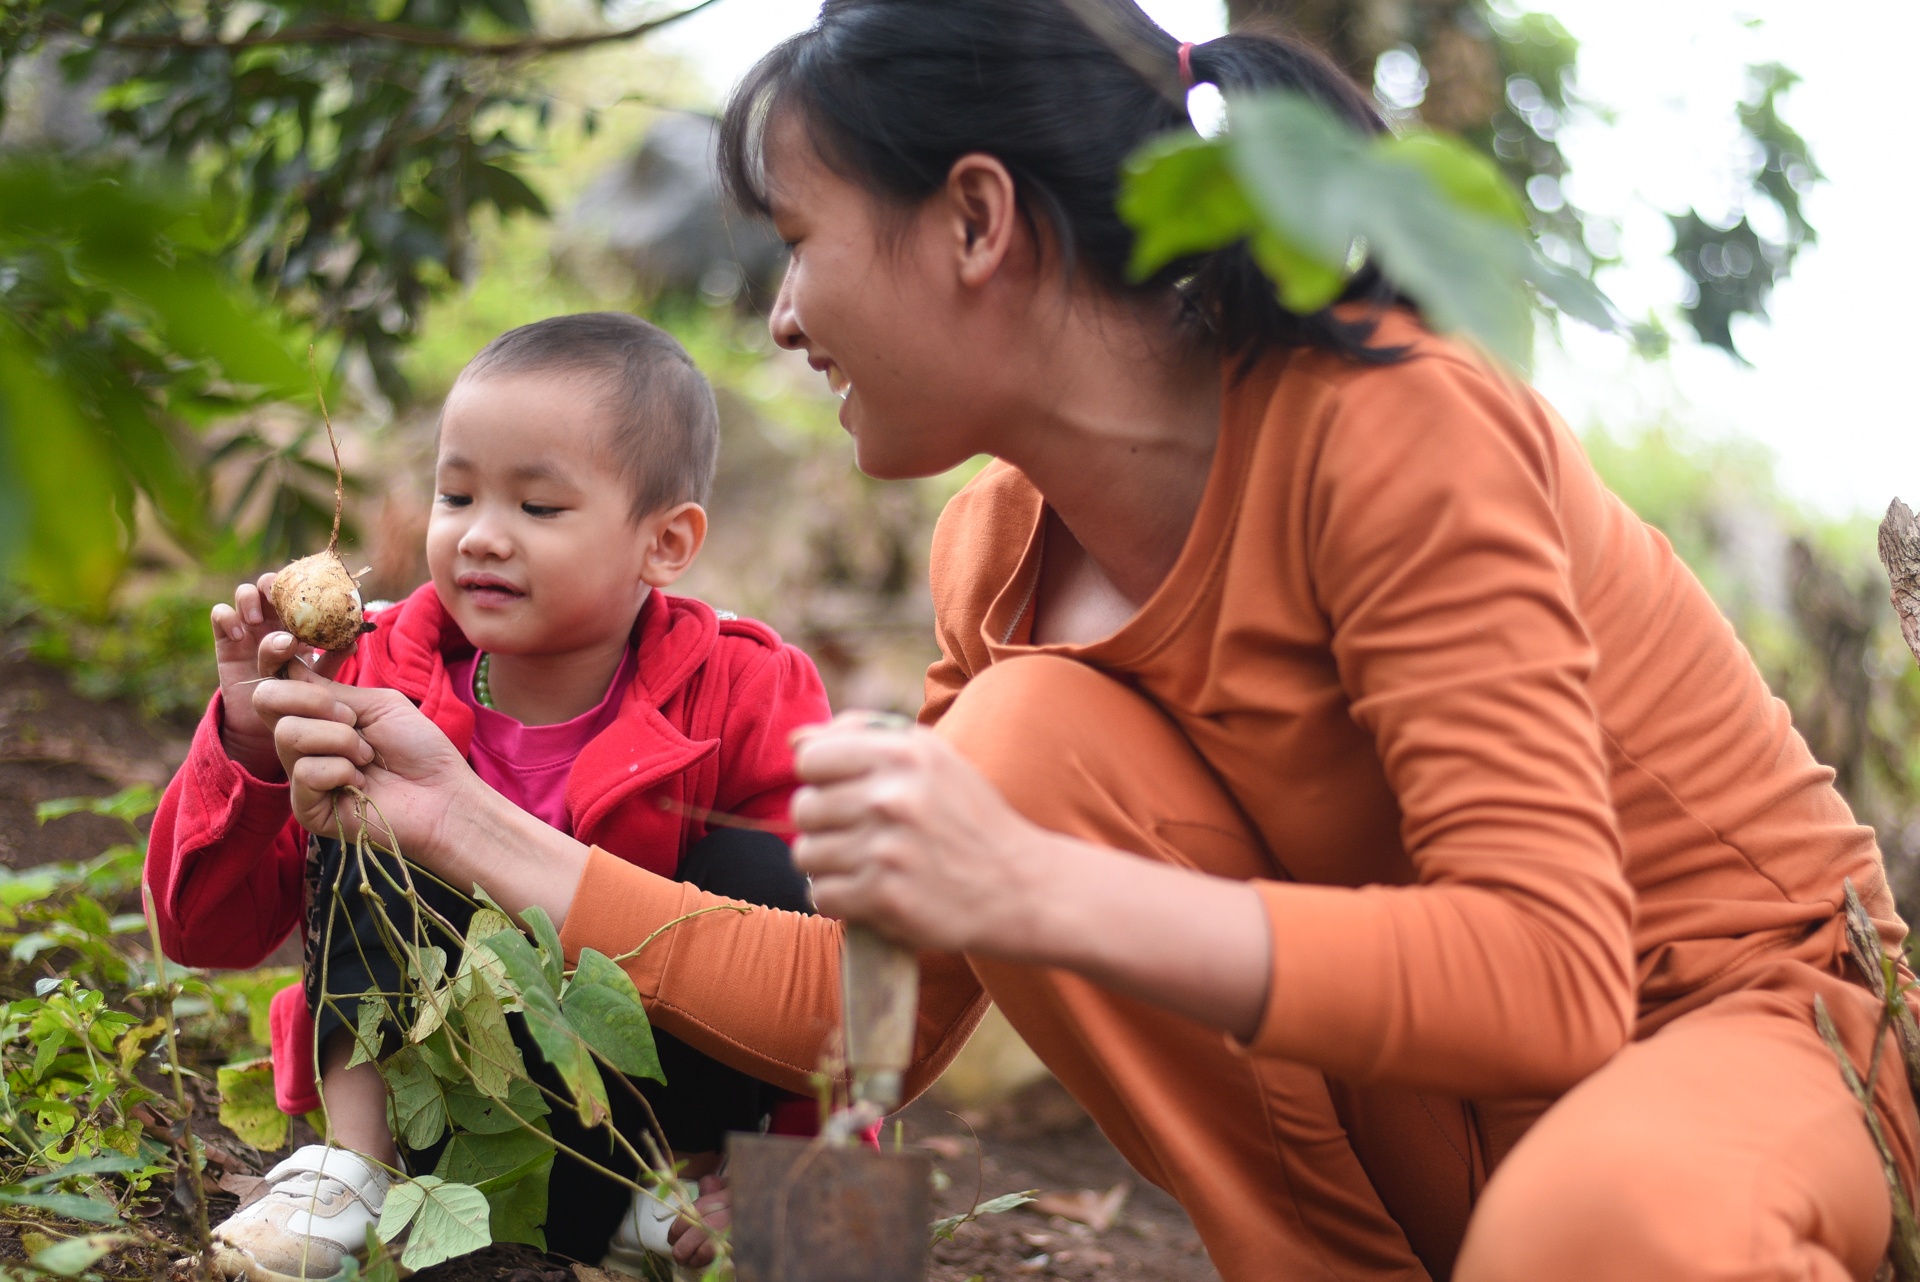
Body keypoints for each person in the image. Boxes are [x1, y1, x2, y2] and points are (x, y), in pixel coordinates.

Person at [249, 3, 1920, 1279]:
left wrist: (1033, 881)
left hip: (1744, 1039)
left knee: (1598, 1220)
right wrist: (456, 812)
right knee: (1024, 745)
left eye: (798, 240)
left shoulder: (1391, 426)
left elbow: (1554, 979)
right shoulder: (997, 552)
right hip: (1447, 1142)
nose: (776, 315)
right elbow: (871, 1006)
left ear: (975, 222)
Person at [145, 313, 832, 1282]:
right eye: (455, 493)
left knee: (763, 872)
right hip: (440, 1111)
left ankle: (678, 1193)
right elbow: (201, 934)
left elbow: (819, 972)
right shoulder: (377, 668)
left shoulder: (746, 691)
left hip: (626, 1134)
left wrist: (803, 1174)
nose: (479, 535)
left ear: (665, 542)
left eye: (538, 507)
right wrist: (251, 742)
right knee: (370, 808)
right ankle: (353, 1169)